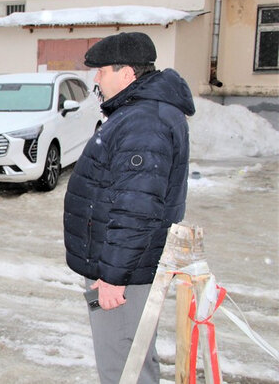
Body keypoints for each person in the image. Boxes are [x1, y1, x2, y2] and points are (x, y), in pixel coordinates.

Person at [63, 32, 195, 384]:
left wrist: (113, 277)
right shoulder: (140, 113)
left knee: (123, 365)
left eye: (101, 70)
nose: (96, 78)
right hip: (124, 268)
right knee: (133, 355)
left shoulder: (143, 122)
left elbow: (137, 208)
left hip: (123, 274)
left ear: (126, 74)